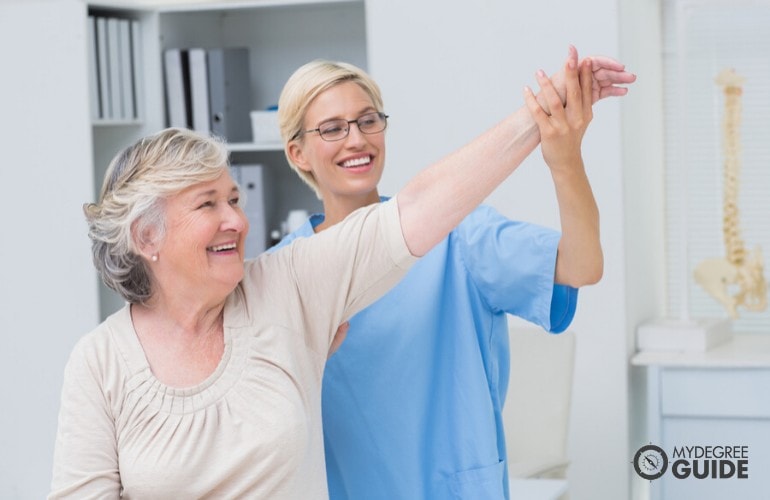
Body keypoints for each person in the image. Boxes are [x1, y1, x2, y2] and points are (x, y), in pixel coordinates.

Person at [49, 47, 630, 499]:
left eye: (367, 120)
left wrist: (549, 132)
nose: (235, 220)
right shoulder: (108, 358)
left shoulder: (296, 283)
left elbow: (424, 208)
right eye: (208, 205)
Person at [270, 48, 635, 499]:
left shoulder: (457, 235)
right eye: (331, 128)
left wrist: (564, 160)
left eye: (368, 120)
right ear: (298, 153)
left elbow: (582, 266)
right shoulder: (283, 276)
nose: (356, 139)